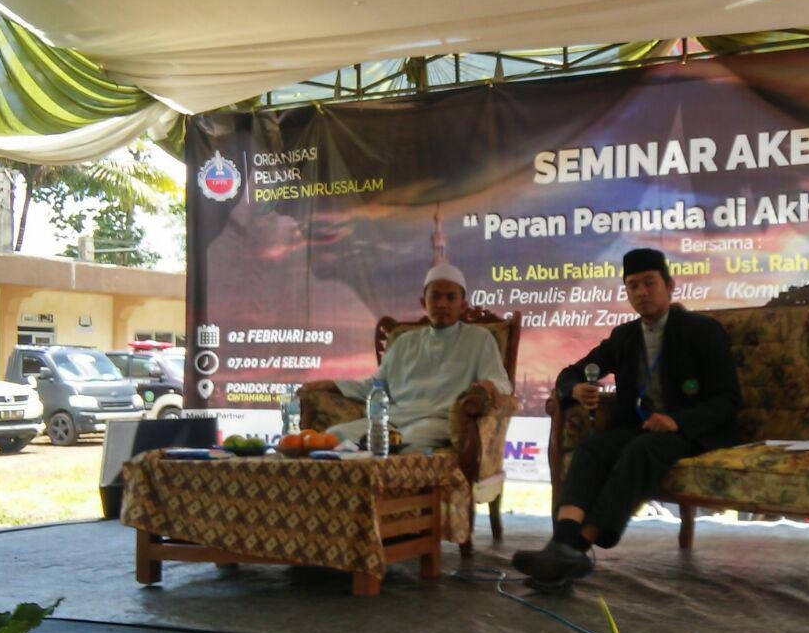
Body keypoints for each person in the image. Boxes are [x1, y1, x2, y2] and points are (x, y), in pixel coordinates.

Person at [512, 248, 742, 585]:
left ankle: (576, 547)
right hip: (643, 426)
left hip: (696, 430)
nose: (642, 292)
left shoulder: (703, 330)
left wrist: (677, 421)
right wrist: (576, 389)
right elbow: (569, 374)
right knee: (591, 450)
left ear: (669, 286)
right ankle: (561, 544)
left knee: (642, 449)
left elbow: (729, 400)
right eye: (633, 286)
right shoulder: (625, 337)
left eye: (649, 283)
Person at [300, 263, 511, 448]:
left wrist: (488, 386)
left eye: (450, 297)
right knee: (334, 436)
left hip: (438, 422)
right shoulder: (404, 341)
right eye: (435, 296)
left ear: (463, 305)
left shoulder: (479, 339)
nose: (442, 304)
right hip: (393, 419)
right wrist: (332, 384)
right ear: (423, 303)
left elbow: (501, 382)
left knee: (402, 444)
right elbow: (375, 386)